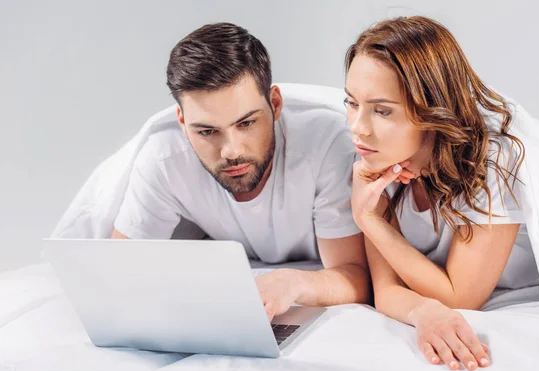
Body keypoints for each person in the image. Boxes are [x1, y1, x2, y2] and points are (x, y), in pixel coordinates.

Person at [111, 22, 370, 322]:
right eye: (207, 131)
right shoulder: (164, 159)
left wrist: (292, 284)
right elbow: (121, 272)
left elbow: (356, 277)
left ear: (275, 104)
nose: (231, 151)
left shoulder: (325, 144)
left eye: (246, 123)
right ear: (182, 122)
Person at [345, 16, 539, 371]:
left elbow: (461, 298)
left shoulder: (493, 160)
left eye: (382, 110)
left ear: (430, 108)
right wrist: (422, 311)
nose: (358, 128)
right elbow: (385, 290)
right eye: (351, 103)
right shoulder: (374, 159)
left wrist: (369, 219)